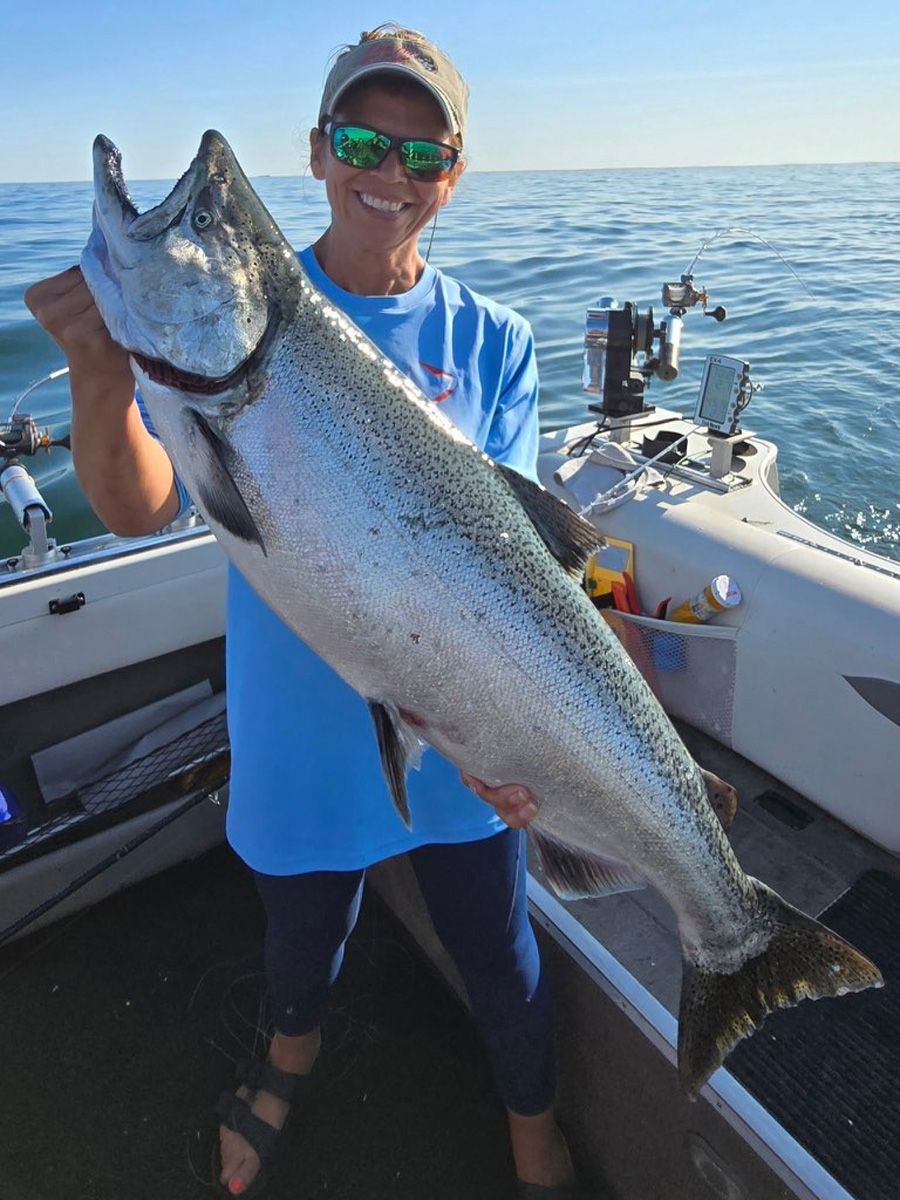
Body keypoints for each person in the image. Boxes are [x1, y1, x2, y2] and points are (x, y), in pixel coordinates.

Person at [25, 26, 598, 1200]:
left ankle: (531, 1126)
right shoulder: (231, 324)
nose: (387, 173)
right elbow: (138, 508)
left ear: (454, 173)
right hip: (297, 737)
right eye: (359, 140)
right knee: (301, 941)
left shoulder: (495, 339)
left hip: (461, 728)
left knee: (501, 950)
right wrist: (97, 370)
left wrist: (513, 731)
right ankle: (288, 1060)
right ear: (320, 151)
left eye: (421, 153)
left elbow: (523, 562)